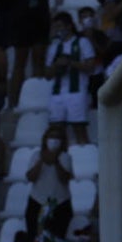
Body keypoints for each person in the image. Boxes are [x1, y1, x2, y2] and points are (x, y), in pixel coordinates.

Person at [45, 11, 95, 146]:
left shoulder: (82, 42)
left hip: (77, 92)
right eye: (56, 27)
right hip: (57, 93)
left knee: (79, 128)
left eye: (60, 26)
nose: (58, 30)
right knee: (56, 130)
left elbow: (91, 67)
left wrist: (70, 63)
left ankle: (85, 159)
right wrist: (57, 66)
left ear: (69, 26)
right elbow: (47, 75)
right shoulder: (54, 47)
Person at [25, 127, 73, 241]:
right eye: (51, 137)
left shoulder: (66, 157)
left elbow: (65, 179)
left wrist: (56, 161)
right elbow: (30, 177)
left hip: (60, 202)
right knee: (35, 239)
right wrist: (42, 160)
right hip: (37, 201)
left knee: (58, 240)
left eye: (57, 137)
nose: (54, 140)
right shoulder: (36, 155)